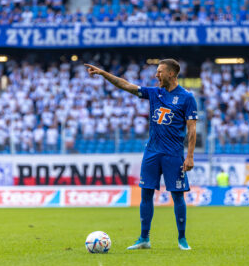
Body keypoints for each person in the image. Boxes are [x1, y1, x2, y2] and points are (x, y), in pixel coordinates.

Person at [85, 59, 198, 251]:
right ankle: (144, 239)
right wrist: (104, 74)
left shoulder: (187, 98)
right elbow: (126, 85)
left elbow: (192, 129)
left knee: (178, 196)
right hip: (152, 152)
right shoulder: (155, 93)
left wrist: (190, 156)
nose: (156, 75)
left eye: (160, 71)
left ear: (171, 74)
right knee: (146, 194)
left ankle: (182, 239)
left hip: (173, 154)